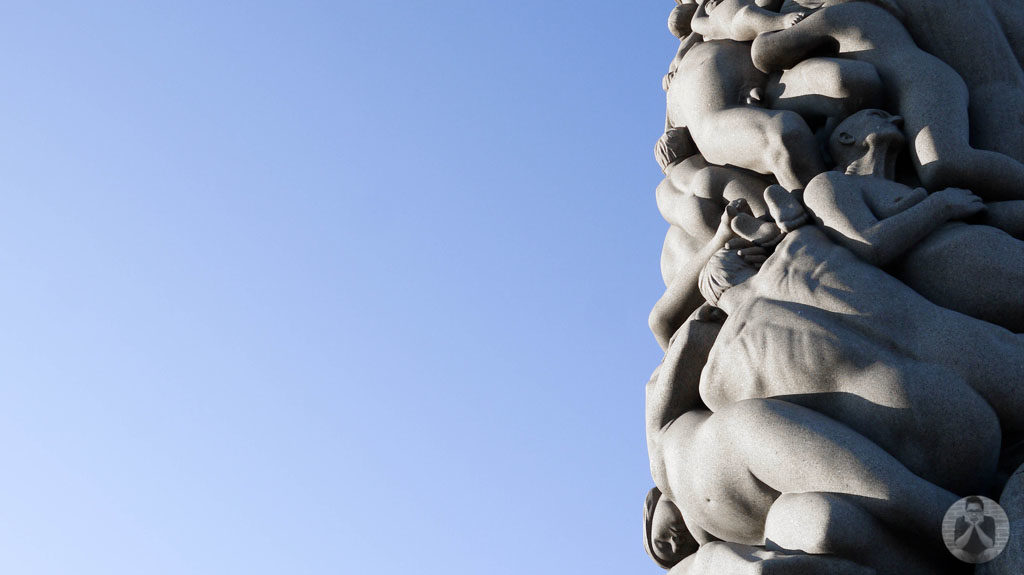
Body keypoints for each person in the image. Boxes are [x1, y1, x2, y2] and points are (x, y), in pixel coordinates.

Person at [643, 205, 958, 574]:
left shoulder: (659, 449)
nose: (676, 544)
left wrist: (718, 254)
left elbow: (683, 333)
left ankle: (985, 532)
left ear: (649, 508)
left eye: (661, 541)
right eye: (672, 555)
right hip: (774, 508)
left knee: (891, 492)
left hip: (740, 438)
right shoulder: (709, 538)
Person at [750, 1, 1024, 201]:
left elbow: (764, 53)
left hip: (924, 82)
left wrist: (777, 23)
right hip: (914, 87)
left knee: (942, 163)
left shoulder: (839, 15)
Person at [801, 109, 1024, 332]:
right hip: (970, 270)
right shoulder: (829, 183)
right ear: (846, 137)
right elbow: (870, 243)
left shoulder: (905, 186)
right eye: (878, 115)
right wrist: (941, 204)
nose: (897, 119)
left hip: (996, 250)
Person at [952, 497, 998, 563]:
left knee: (992, 551)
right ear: (966, 512)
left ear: (982, 512)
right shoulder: (960, 520)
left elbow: (990, 545)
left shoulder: (989, 520)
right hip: (966, 554)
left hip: (983, 554)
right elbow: (959, 545)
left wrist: (977, 526)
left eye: (977, 511)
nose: (974, 514)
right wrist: (971, 526)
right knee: (956, 552)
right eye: (970, 511)